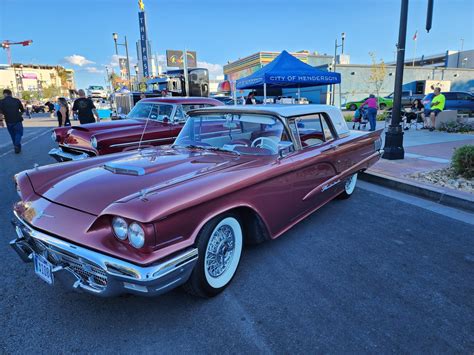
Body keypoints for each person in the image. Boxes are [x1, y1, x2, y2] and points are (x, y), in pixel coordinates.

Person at [0, 89, 25, 153]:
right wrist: (20, 114)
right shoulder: (16, 100)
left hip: (8, 121)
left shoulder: (1, 102)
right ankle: (17, 145)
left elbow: (0, 113)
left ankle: (17, 147)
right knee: (19, 133)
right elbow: (22, 110)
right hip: (17, 120)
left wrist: (1, 121)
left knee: (13, 135)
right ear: (11, 94)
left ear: (4, 94)